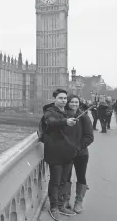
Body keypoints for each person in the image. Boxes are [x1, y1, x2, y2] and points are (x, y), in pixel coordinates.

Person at [41, 89, 80, 220]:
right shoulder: (50, 112)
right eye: (60, 98)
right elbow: (50, 123)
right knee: (55, 181)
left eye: (65, 98)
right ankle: (53, 207)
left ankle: (60, 205)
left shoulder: (68, 112)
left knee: (64, 181)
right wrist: (65, 122)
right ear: (55, 99)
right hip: (55, 152)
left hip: (68, 153)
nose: (63, 100)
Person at [62, 94, 94, 214]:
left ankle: (78, 202)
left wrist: (78, 147)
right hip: (67, 153)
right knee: (66, 176)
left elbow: (89, 137)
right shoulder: (64, 116)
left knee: (81, 176)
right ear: (67, 103)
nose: (74, 104)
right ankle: (65, 199)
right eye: (72, 102)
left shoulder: (84, 117)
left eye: (76, 102)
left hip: (81, 153)